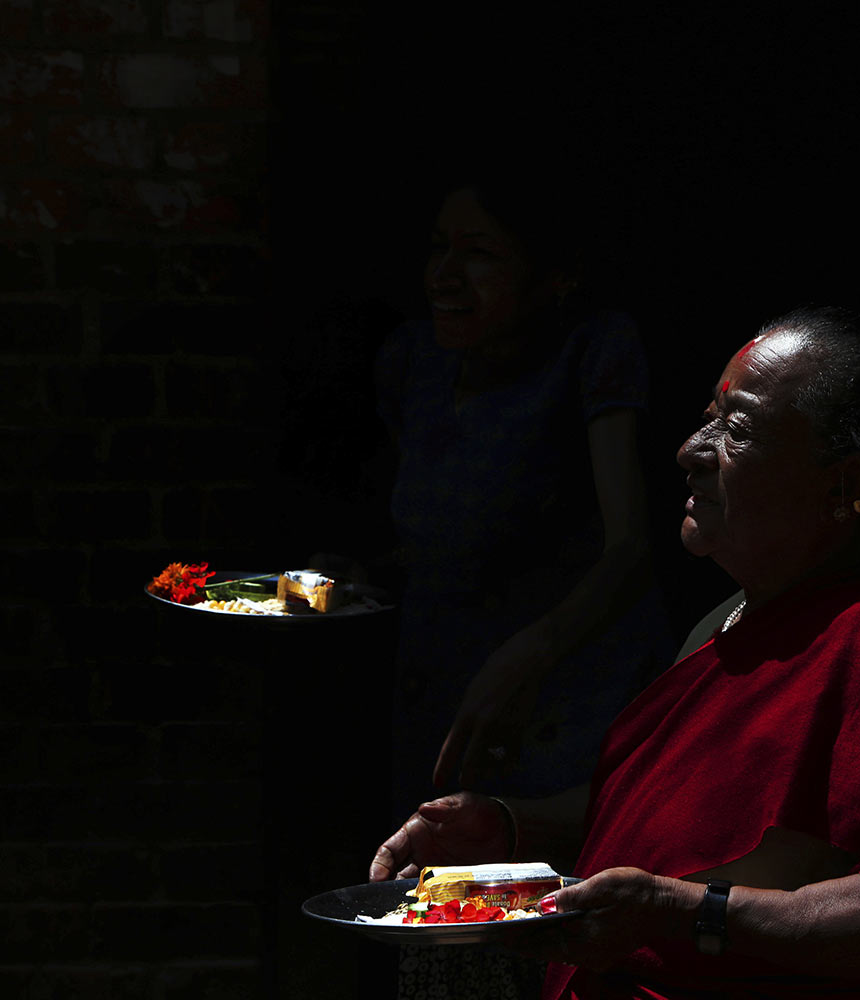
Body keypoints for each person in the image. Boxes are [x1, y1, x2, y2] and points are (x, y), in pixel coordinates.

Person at [370, 306, 860, 999]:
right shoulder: (727, 622)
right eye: (708, 416)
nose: (690, 449)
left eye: (736, 431)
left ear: (850, 486)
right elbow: (680, 827)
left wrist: (685, 915)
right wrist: (512, 827)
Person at [364, 170, 678, 998]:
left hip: (560, 705)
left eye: (481, 254)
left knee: (545, 942)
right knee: (440, 931)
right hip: (442, 696)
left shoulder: (594, 350)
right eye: (438, 249)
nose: (446, 276)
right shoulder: (414, 364)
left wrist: (529, 651)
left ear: (553, 275)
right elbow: (434, 529)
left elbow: (629, 550)